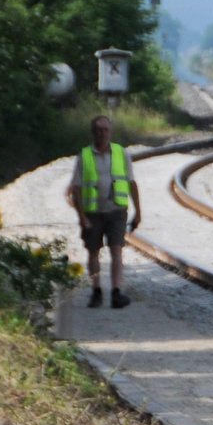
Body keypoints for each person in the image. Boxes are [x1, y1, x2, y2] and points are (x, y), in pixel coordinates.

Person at [65, 115, 141, 308]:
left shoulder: (121, 154)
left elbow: (131, 182)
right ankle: (96, 291)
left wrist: (138, 211)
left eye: (105, 130)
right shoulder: (84, 156)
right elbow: (76, 188)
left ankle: (116, 292)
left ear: (110, 132)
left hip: (117, 210)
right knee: (93, 252)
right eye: (98, 130)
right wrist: (82, 217)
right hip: (93, 213)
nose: (102, 133)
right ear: (93, 132)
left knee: (117, 250)